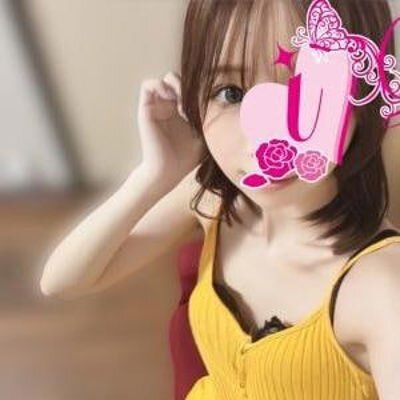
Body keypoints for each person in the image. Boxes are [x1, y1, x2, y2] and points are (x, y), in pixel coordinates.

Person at [40, 0, 400, 398]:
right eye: (231, 93)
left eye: (308, 90)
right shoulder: (216, 200)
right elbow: (62, 281)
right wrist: (153, 175)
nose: (264, 137)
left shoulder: (382, 288)